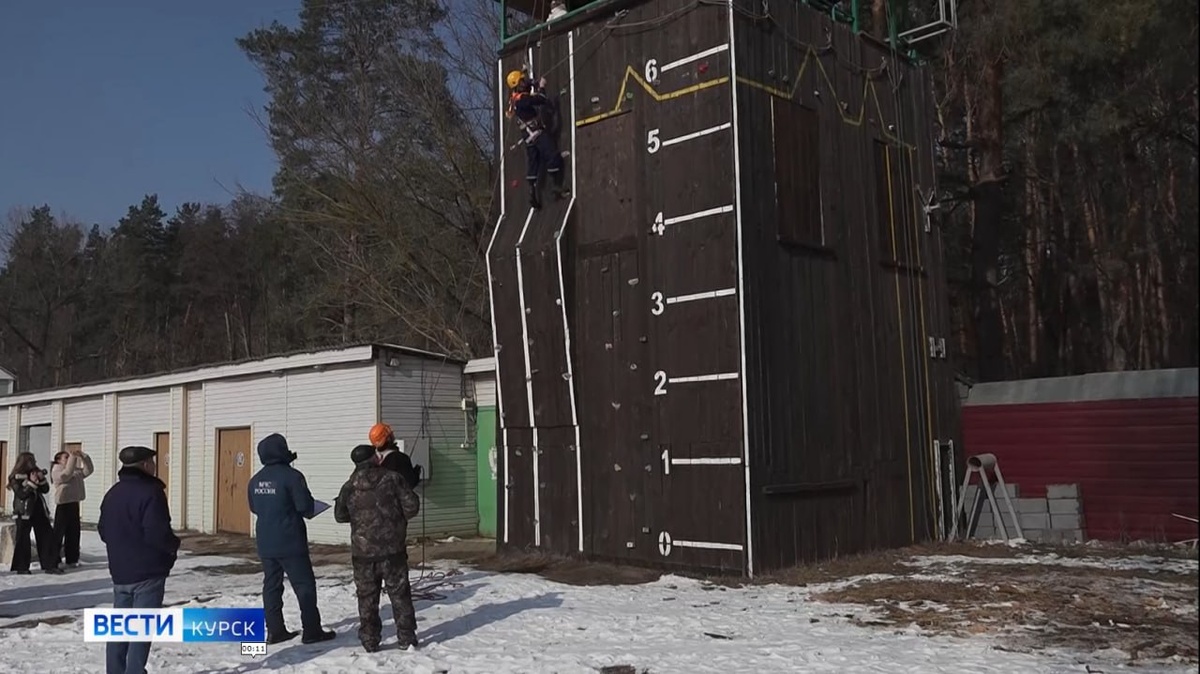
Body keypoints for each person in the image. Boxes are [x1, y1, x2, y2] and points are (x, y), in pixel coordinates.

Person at [247, 433, 336, 645]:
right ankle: (312, 629)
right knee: (304, 585)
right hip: (290, 540)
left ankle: (275, 630)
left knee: (271, 586)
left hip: (266, 541)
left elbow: (253, 507)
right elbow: (304, 507)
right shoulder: (293, 476)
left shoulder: (255, 480)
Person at [97, 446, 180, 674]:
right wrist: (172, 548)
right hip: (148, 570)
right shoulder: (151, 492)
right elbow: (157, 533)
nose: (155, 466)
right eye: (152, 462)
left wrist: (121, 547)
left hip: (120, 570)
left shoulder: (113, 493)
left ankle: (114, 670)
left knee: (120, 629)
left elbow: (103, 529)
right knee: (141, 630)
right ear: (145, 465)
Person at [334, 444, 420, 652]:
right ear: (375, 458)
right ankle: (406, 638)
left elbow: (340, 515)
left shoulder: (349, 485)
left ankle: (370, 640)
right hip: (393, 551)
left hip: (363, 553)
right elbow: (412, 507)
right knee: (400, 595)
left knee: (367, 599)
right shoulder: (393, 478)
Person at [505, 69, 570, 209]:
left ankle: (532, 193)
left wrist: (531, 81)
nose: (524, 82)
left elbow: (527, 88)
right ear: (517, 84)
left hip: (527, 136)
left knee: (533, 163)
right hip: (535, 133)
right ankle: (556, 187)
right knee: (552, 155)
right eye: (522, 80)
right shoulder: (523, 100)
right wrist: (541, 86)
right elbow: (541, 99)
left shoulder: (515, 98)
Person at [6, 452, 62, 575]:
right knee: (23, 539)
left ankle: (50, 564)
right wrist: (31, 483)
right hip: (23, 510)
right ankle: (21, 567)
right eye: (32, 461)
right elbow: (21, 494)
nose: (34, 463)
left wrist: (41, 479)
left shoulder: (35, 472)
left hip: (38, 509)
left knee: (47, 536)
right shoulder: (16, 477)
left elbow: (45, 490)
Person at [51, 445, 95, 568]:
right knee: (59, 533)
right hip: (63, 504)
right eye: (65, 457)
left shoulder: (75, 471)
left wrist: (83, 456)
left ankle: (72, 558)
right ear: (59, 460)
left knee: (74, 533)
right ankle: (54, 559)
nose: (69, 458)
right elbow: (66, 475)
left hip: (74, 503)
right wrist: (72, 457)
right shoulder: (57, 470)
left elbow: (89, 470)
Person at [368, 423, 421, 489]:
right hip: (394, 497)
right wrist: (416, 473)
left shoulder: (370, 458)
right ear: (388, 438)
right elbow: (409, 484)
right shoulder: (400, 458)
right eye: (391, 434)